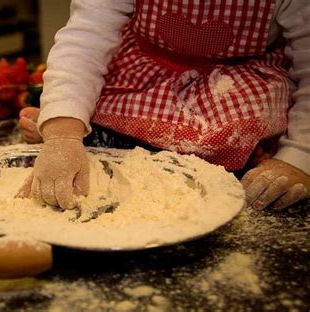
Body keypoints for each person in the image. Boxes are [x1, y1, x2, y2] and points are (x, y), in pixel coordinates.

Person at [18, 0, 310, 211]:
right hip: (144, 76)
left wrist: (298, 156)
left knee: (233, 143)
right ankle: (82, 127)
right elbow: (85, 41)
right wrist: (62, 130)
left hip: (236, 86)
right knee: (77, 113)